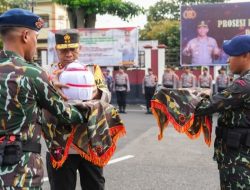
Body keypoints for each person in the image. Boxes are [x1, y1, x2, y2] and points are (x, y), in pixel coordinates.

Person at [0, 9, 86, 189]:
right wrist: (92, 108)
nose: (35, 44)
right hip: (20, 172)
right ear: (25, 36)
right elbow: (67, 114)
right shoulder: (33, 74)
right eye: (35, 37)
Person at [46, 29, 105, 190]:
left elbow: (107, 97)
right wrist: (52, 86)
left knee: (94, 186)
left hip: (89, 141)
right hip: (60, 143)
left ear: (80, 48)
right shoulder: (48, 72)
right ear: (57, 49)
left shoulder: (92, 70)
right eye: (64, 50)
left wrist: (97, 92)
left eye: (73, 49)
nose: (69, 54)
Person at [195, 34, 250, 189]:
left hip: (240, 160)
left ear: (245, 55)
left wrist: (170, 98)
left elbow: (205, 107)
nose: (227, 60)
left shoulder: (244, 84)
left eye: (231, 55)